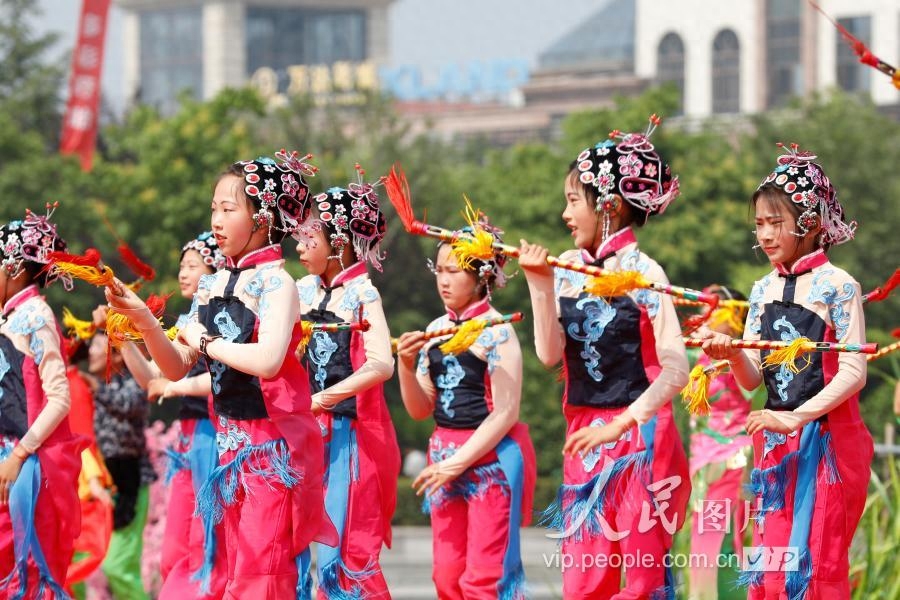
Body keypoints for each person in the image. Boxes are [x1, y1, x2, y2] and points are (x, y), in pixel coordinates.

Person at [103, 149, 336, 598]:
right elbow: (173, 367)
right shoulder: (213, 285)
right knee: (233, 575)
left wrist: (206, 342)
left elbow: (268, 361)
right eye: (214, 209)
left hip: (270, 452)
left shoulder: (277, 282)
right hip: (229, 450)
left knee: (260, 575)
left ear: (262, 218)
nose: (217, 219)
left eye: (229, 209)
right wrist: (144, 321)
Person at [518, 117, 691, 598]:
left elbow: (677, 369)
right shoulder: (568, 269)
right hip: (584, 436)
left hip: (639, 437)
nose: (565, 214)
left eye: (574, 200)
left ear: (609, 205)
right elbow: (551, 354)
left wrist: (621, 425)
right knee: (584, 580)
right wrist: (538, 284)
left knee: (640, 579)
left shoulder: (644, 271)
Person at [699, 143, 872, 598]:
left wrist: (794, 418)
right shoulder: (761, 288)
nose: (766, 234)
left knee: (815, 568)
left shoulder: (839, 285)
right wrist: (731, 352)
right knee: (771, 569)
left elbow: (854, 371)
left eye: (776, 222)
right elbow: (754, 377)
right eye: (759, 224)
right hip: (775, 442)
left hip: (828, 441)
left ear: (810, 222)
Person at [396, 213, 536, 600]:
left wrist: (456, 463)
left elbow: (506, 412)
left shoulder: (498, 329)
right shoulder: (435, 330)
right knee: (446, 577)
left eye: (454, 271)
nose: (443, 279)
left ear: (482, 276)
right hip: (442, 458)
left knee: (483, 581)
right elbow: (421, 409)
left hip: (489, 462)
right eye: (439, 269)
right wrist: (404, 367)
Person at [294, 171, 399, 599]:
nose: (299, 246)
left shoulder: (361, 294)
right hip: (302, 435)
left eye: (308, 238)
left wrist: (322, 399)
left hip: (346, 436)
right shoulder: (299, 289)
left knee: (343, 552)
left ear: (338, 241)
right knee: (294, 546)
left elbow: (381, 364)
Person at [117, 231, 226, 599]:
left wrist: (176, 388)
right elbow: (154, 379)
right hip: (189, 439)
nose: (182, 273)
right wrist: (124, 341)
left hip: (216, 436)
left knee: (207, 547)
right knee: (174, 551)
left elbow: (225, 381)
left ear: (215, 270)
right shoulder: (186, 321)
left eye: (192, 266)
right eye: (181, 266)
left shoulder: (225, 317)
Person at [0, 205, 83, 598]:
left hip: (25, 465)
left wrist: (19, 455)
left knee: (26, 574)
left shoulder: (35, 315)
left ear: (15, 269)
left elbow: (59, 398)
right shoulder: (9, 317)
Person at [685, 286, 752, 599]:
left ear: (735, 317)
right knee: (700, 548)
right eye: (702, 307)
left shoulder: (743, 354)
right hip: (700, 465)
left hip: (732, 461)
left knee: (722, 546)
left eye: (714, 309)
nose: (703, 316)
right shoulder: (694, 353)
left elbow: (754, 391)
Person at [88, 330, 156, 600]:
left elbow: (130, 405)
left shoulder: (134, 378)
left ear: (115, 352)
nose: (91, 351)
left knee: (118, 566)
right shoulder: (101, 383)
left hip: (133, 483)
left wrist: (97, 389)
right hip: (110, 484)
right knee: (110, 564)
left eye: (97, 345)